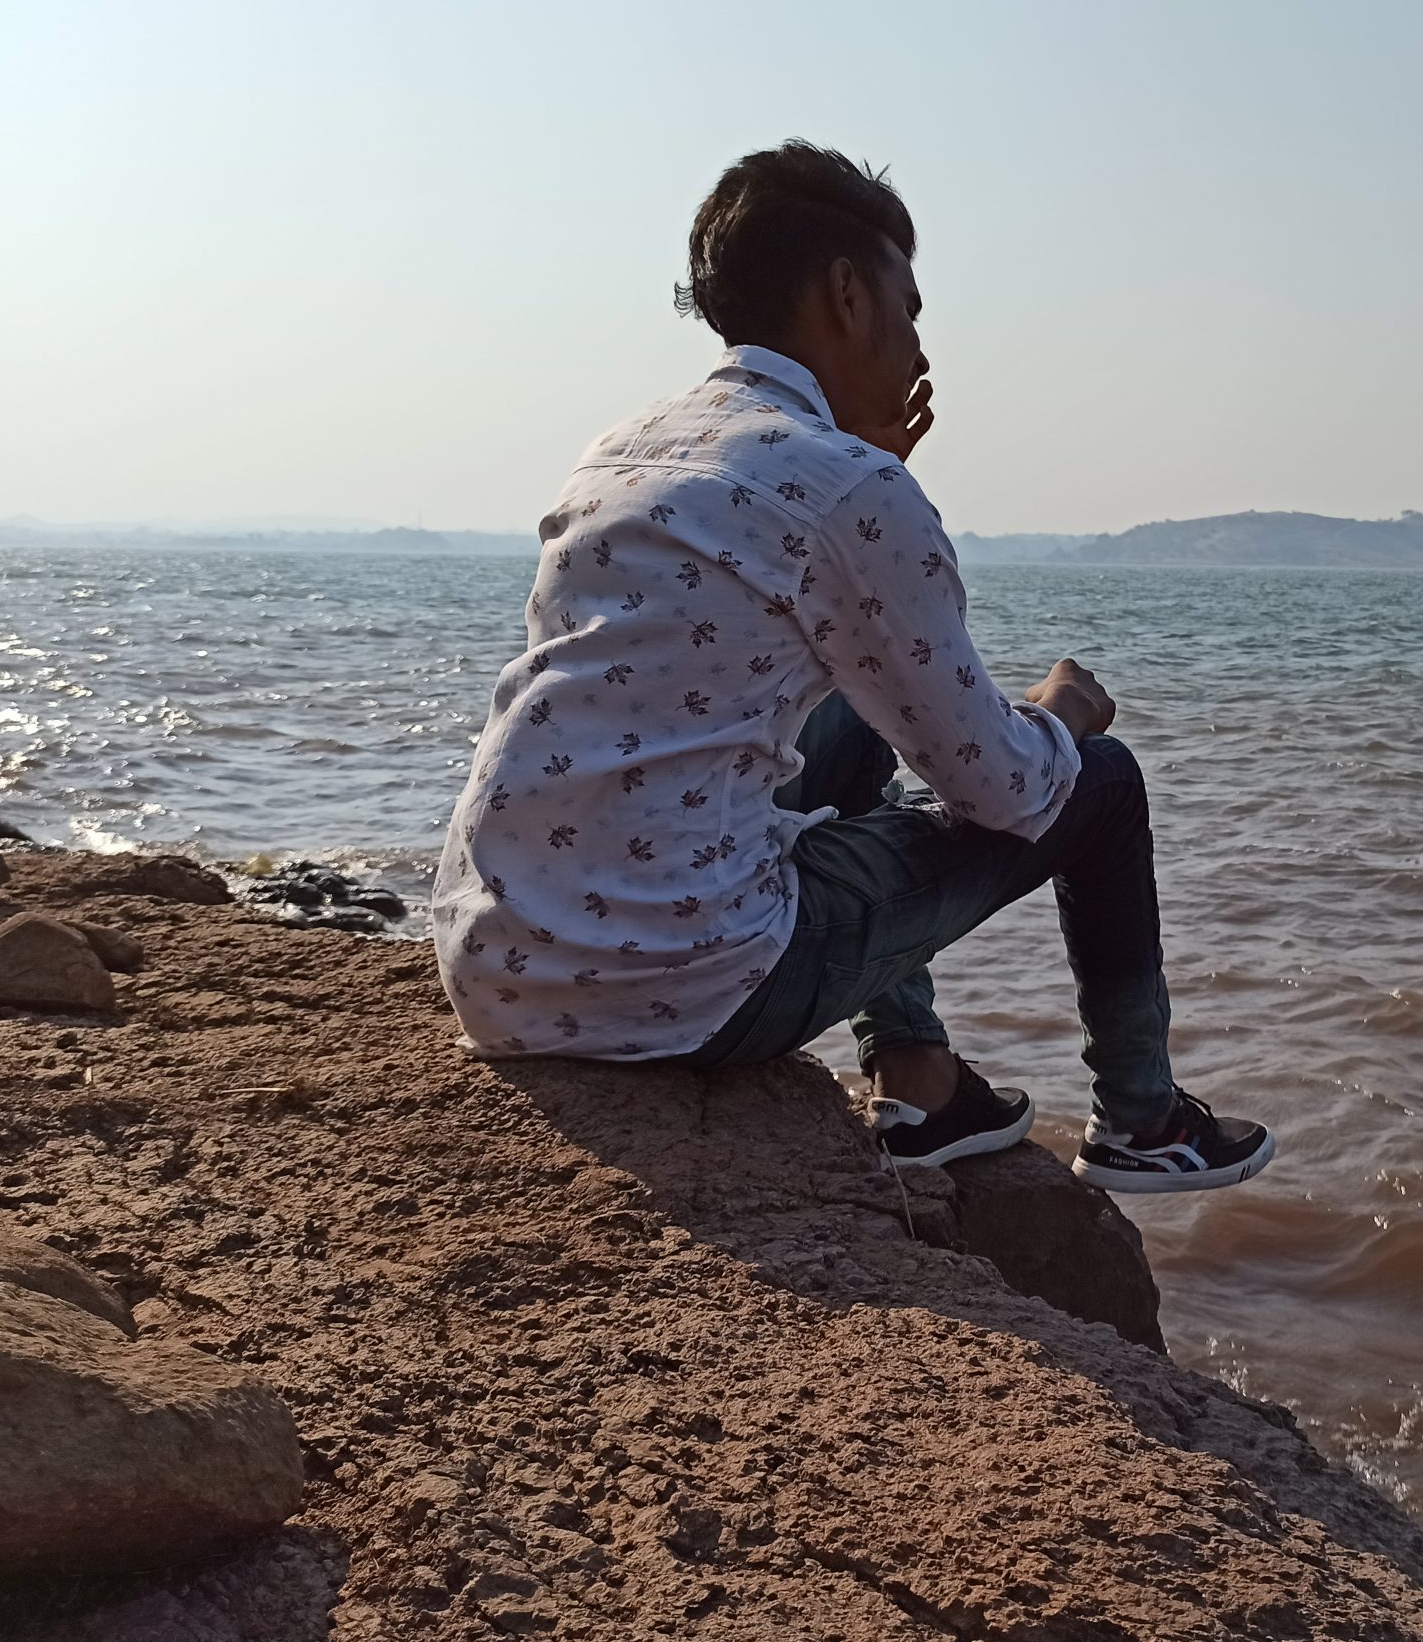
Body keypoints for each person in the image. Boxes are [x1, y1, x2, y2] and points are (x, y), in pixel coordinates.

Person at [430, 142, 1273, 1194]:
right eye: (908, 309)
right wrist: (1058, 717)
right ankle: (1143, 1123)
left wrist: (869, 469)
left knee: (853, 720)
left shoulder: (626, 446)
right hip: (679, 986)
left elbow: (747, 642)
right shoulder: (844, 486)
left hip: (498, 965)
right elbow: (1000, 788)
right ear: (844, 293)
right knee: (1098, 788)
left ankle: (915, 1073)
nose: (917, 343)